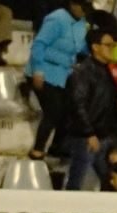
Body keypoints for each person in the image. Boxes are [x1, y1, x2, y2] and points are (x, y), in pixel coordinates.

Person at [26, 0, 88, 161]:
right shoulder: (57, 19)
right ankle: (38, 149)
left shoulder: (82, 23)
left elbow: (80, 47)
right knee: (54, 110)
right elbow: (39, 45)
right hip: (44, 70)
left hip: (64, 73)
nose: (83, 10)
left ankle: (58, 146)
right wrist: (38, 70)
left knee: (71, 108)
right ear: (73, 4)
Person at [65, 25, 117, 191]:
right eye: (108, 45)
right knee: (78, 181)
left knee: (108, 182)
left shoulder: (104, 70)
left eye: (114, 45)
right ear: (95, 47)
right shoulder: (83, 71)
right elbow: (77, 104)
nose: (112, 48)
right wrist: (88, 133)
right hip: (88, 138)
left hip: (104, 135)